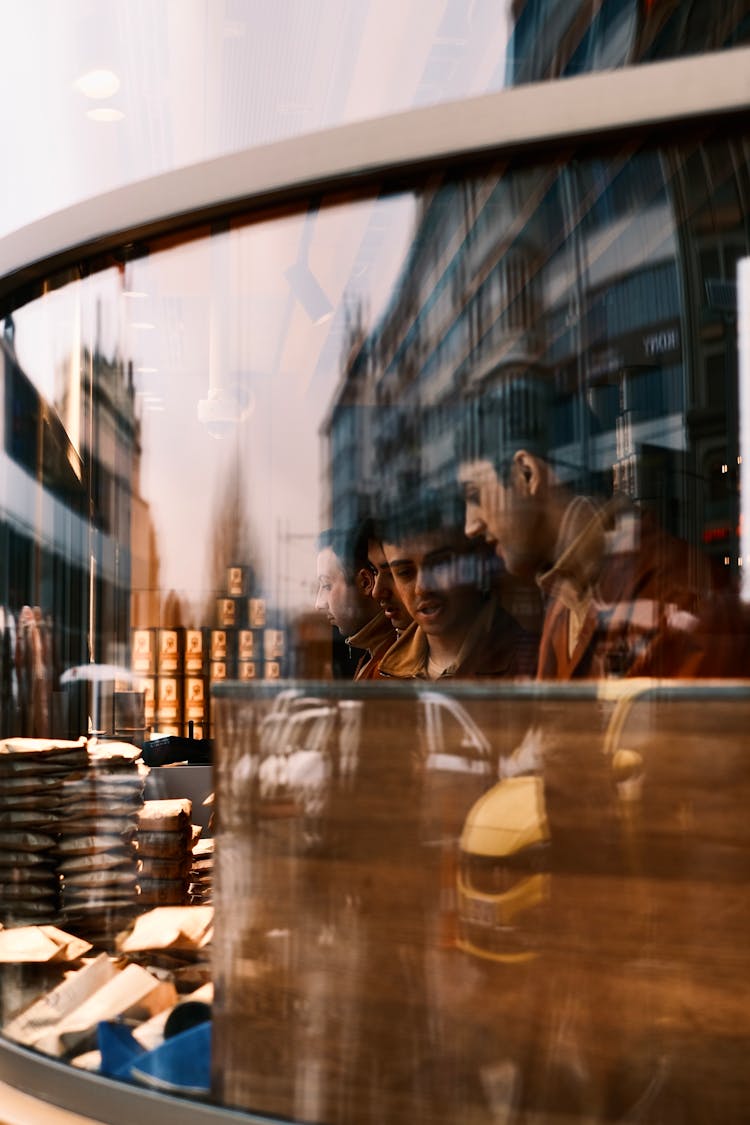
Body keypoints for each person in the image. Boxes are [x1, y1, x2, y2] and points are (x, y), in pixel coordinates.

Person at [457, 374, 740, 679]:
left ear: (527, 474)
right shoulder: (567, 595)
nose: (470, 526)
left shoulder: (677, 600)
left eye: (475, 496)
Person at [377, 491, 538, 680]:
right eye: (405, 573)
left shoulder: (530, 662)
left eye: (439, 565)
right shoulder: (382, 672)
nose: (422, 587)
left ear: (477, 560)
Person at [315, 522, 398, 679]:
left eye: (326, 585)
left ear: (365, 582)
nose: (319, 604)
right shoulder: (372, 655)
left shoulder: (390, 667)